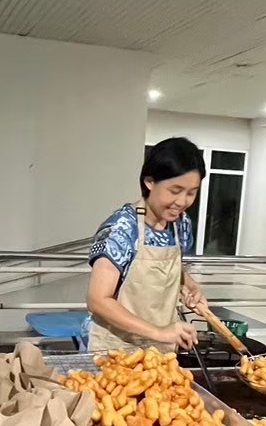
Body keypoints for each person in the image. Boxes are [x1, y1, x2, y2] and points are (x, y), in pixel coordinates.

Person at [85, 137, 211, 353]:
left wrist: (190, 286)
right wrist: (159, 332)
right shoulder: (121, 228)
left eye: (191, 192)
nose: (182, 202)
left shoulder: (181, 224)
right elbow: (98, 300)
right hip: (116, 351)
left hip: (161, 352)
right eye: (175, 191)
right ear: (150, 182)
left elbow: (167, 272)